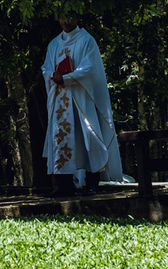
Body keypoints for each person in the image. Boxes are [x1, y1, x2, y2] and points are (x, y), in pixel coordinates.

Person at [41, 13, 122, 197]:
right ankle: (64, 185)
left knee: (88, 137)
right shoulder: (54, 44)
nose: (65, 22)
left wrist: (67, 77)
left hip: (81, 100)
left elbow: (90, 70)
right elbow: (46, 67)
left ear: (77, 17)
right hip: (60, 99)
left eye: (69, 17)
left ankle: (92, 183)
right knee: (62, 139)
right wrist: (53, 75)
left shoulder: (87, 40)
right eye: (62, 18)